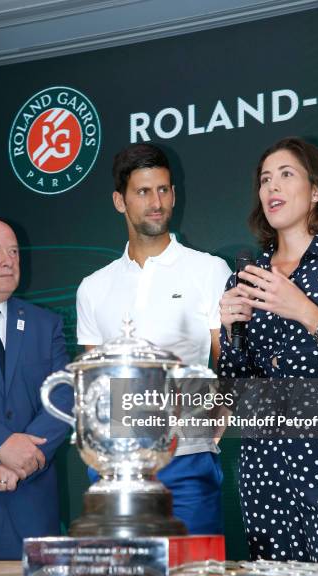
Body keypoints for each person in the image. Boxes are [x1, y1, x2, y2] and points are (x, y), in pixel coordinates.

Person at [219, 137, 318, 562]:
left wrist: (305, 311)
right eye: (265, 180)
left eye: (286, 175)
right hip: (264, 466)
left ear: (317, 191)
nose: (271, 188)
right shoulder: (246, 278)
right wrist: (230, 334)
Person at [77, 143, 231, 534]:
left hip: (188, 458)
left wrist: (224, 409)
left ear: (174, 194)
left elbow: (226, 357)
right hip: (116, 468)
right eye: (143, 192)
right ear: (119, 201)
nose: (156, 201)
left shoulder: (209, 270)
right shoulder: (93, 287)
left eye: (163, 189)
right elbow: (94, 386)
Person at [0, 218, 71, 560]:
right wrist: (0, 445)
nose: (9, 260)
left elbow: (63, 394)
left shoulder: (44, 323)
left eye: (14, 252)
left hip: (30, 506)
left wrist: (22, 460)